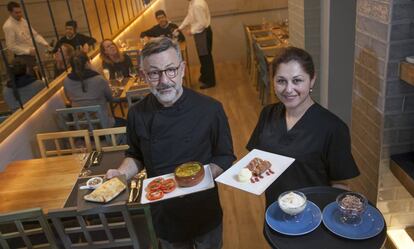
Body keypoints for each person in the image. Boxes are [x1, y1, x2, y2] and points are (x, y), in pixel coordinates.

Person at [106, 37, 235, 249]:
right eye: (155, 73)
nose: (164, 80)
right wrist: (120, 174)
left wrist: (199, 178)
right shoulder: (137, 114)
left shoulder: (211, 109)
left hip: (204, 210)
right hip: (164, 213)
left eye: (171, 70)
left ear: (183, 69)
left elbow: (225, 156)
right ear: (143, 75)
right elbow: (135, 155)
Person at [246, 47, 360, 207]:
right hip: (275, 209)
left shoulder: (333, 128)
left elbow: (340, 183)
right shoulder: (268, 114)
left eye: (297, 80)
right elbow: (257, 157)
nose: (288, 89)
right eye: (281, 81)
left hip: (314, 216)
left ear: (312, 80)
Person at [63, 51, 126, 128]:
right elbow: (110, 98)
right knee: (127, 123)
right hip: (103, 126)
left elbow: (69, 99)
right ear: (87, 63)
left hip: (82, 129)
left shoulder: (66, 81)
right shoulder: (98, 79)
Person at [2, 1, 51, 75]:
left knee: (37, 76)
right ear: (10, 12)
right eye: (16, 13)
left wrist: (45, 43)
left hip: (32, 55)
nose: (19, 14)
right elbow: (10, 46)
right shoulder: (8, 26)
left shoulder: (23, 21)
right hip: (22, 57)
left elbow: (35, 35)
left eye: (20, 12)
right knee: (32, 78)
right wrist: (27, 51)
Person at [177, 0, 216, 89]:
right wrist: (181, 27)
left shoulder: (197, 5)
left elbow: (202, 23)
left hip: (203, 33)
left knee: (205, 57)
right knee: (202, 56)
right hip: (200, 33)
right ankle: (204, 76)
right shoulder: (193, 3)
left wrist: (191, 31)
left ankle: (210, 81)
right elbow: (190, 17)